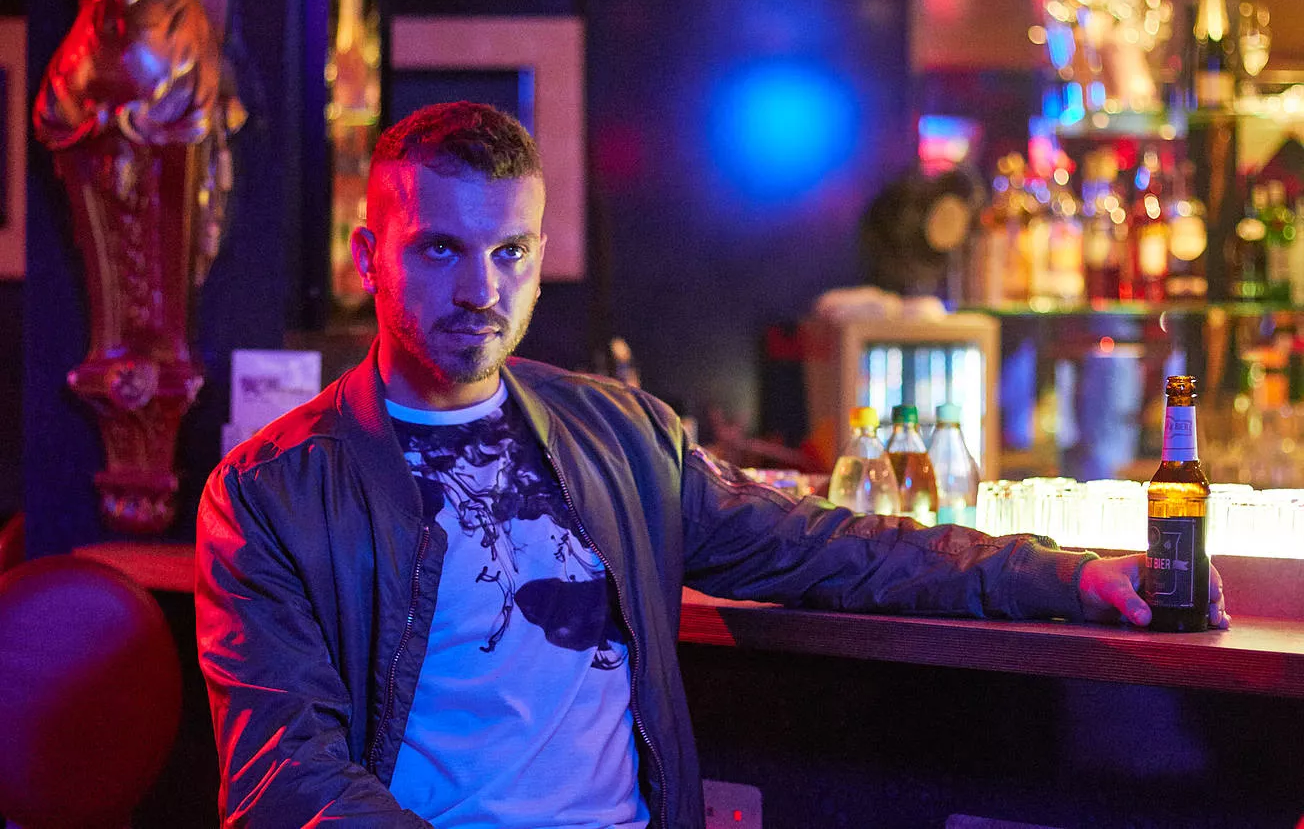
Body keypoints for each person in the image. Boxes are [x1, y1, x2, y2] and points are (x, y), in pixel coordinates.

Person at [195, 101, 1230, 828]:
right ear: (367, 257)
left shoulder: (618, 434)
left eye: (510, 252)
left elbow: (829, 546)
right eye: (439, 249)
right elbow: (288, 782)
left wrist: (1063, 576)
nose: (481, 291)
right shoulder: (272, 494)